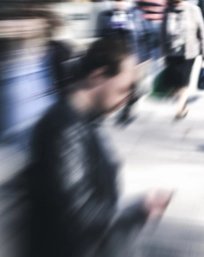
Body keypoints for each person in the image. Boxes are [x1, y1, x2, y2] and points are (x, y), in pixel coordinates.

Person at [26, 37, 173, 257]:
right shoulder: (64, 130)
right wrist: (140, 210)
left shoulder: (82, 121)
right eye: (124, 89)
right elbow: (79, 218)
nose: (128, 98)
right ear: (98, 76)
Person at [161, 0, 204, 119]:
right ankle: (183, 103)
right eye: (173, 1)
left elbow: (201, 31)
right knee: (176, 82)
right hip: (171, 53)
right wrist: (163, 53)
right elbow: (162, 33)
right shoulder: (167, 11)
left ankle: (180, 109)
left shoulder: (193, 10)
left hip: (189, 53)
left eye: (178, 0)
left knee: (183, 81)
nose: (176, 3)